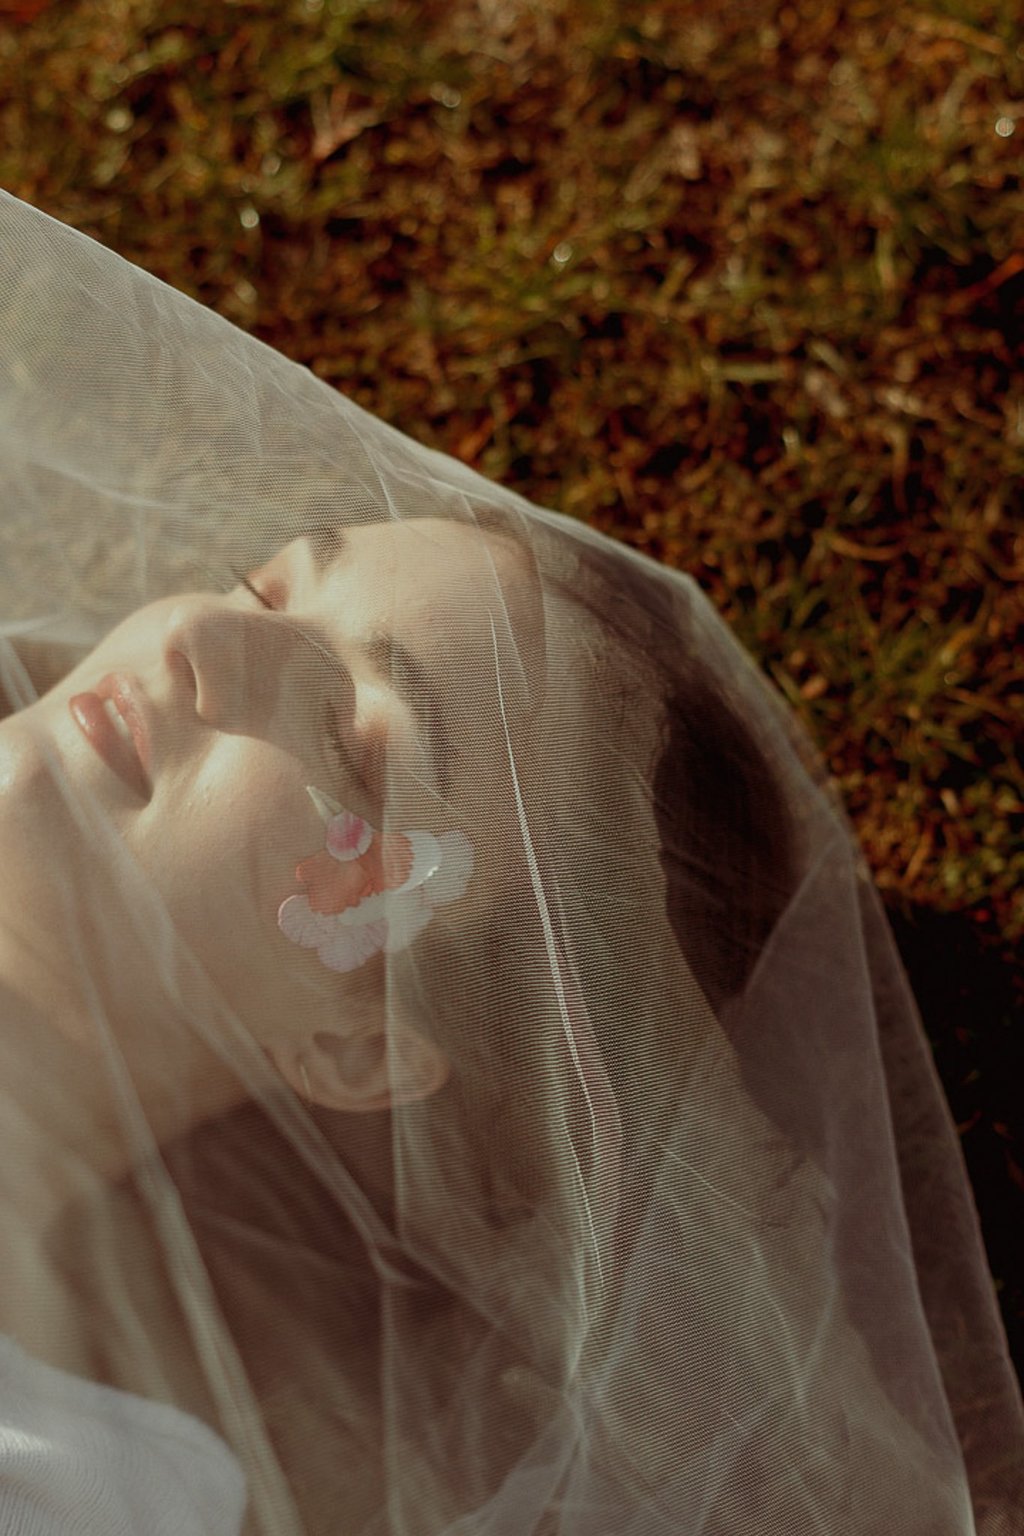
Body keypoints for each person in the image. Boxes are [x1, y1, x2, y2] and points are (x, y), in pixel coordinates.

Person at [0, 186, 1021, 1535]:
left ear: (359, 1050)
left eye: (355, 750)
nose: (197, 634)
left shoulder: (76, 1487)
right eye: (267, 585)